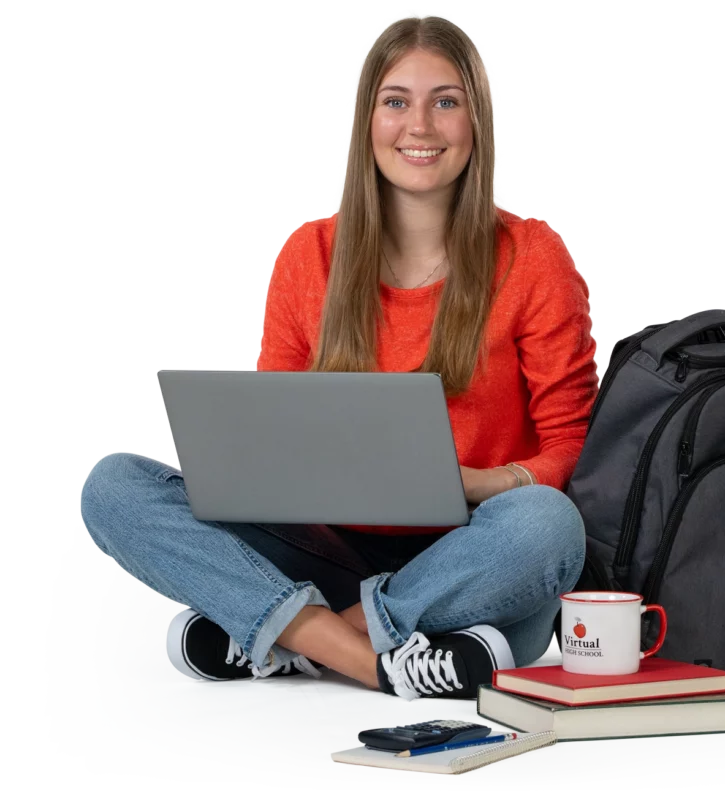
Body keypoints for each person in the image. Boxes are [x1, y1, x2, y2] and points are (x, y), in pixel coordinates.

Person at [79, 14, 599, 702]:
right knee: (112, 486)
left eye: (446, 101)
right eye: (396, 101)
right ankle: (388, 656)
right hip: (328, 550)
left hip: (470, 551)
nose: (420, 125)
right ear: (368, 122)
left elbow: (574, 447)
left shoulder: (532, 256)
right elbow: (271, 441)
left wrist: (471, 482)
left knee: (549, 527)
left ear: (476, 122)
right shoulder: (310, 255)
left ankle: (290, 636)